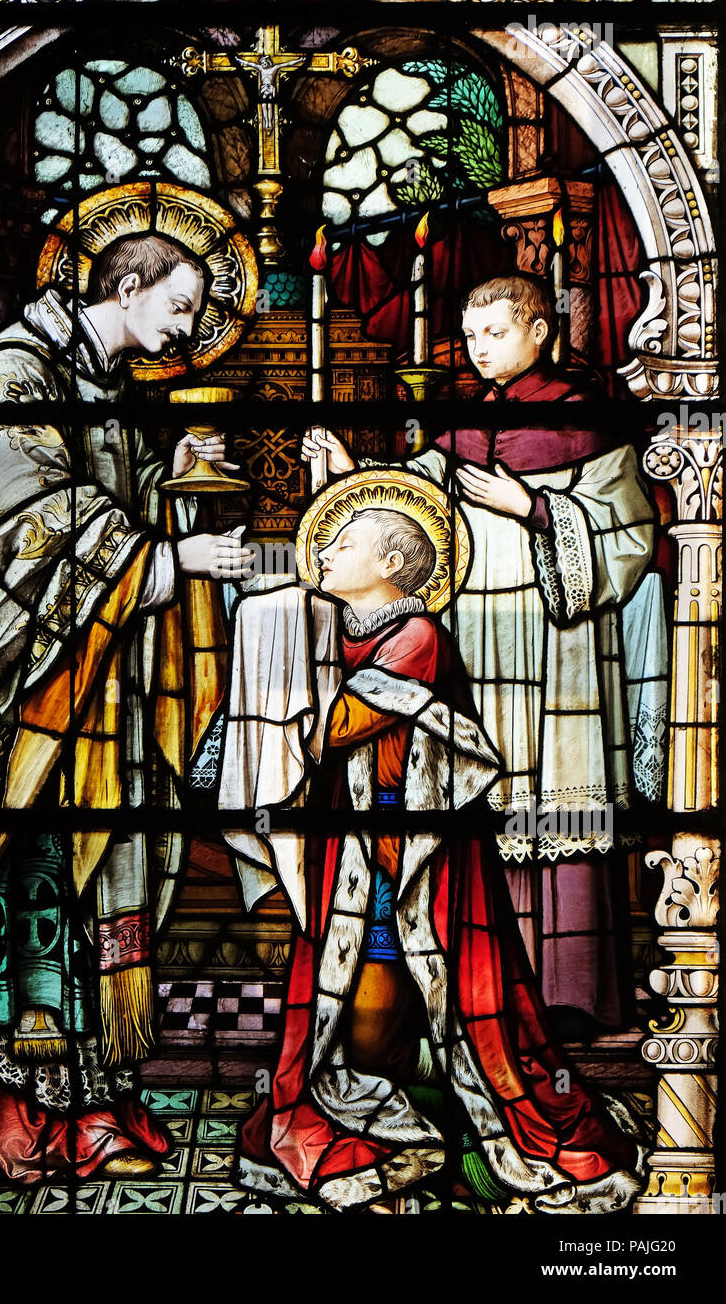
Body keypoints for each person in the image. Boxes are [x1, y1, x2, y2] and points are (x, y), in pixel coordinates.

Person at [0, 232, 253, 1184]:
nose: (190, 325)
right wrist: (171, 563)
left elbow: (104, 507)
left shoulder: (105, 387)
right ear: (125, 288)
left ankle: (82, 1099)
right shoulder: (13, 371)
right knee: (17, 883)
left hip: (76, 678)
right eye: (179, 303)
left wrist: (173, 487)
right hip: (4, 684)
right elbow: (29, 517)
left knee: (79, 886)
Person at [235, 490, 644, 1213]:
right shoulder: (334, 628)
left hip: (414, 859)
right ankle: (394, 1132)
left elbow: (334, 726)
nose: (323, 550)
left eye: (345, 540)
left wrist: (282, 661)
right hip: (348, 852)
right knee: (353, 1016)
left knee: (422, 998)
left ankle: (448, 1135)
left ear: (392, 563)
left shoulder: (417, 634)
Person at [302, 275, 660, 1039]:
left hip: (553, 643)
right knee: (479, 797)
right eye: (471, 337)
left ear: (540, 332)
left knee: (557, 798)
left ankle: (570, 995)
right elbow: (405, 506)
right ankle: (482, 990)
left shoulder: (585, 421)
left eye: (495, 333)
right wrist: (346, 475)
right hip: (474, 641)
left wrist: (532, 508)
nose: (479, 349)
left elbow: (628, 537)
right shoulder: (465, 428)